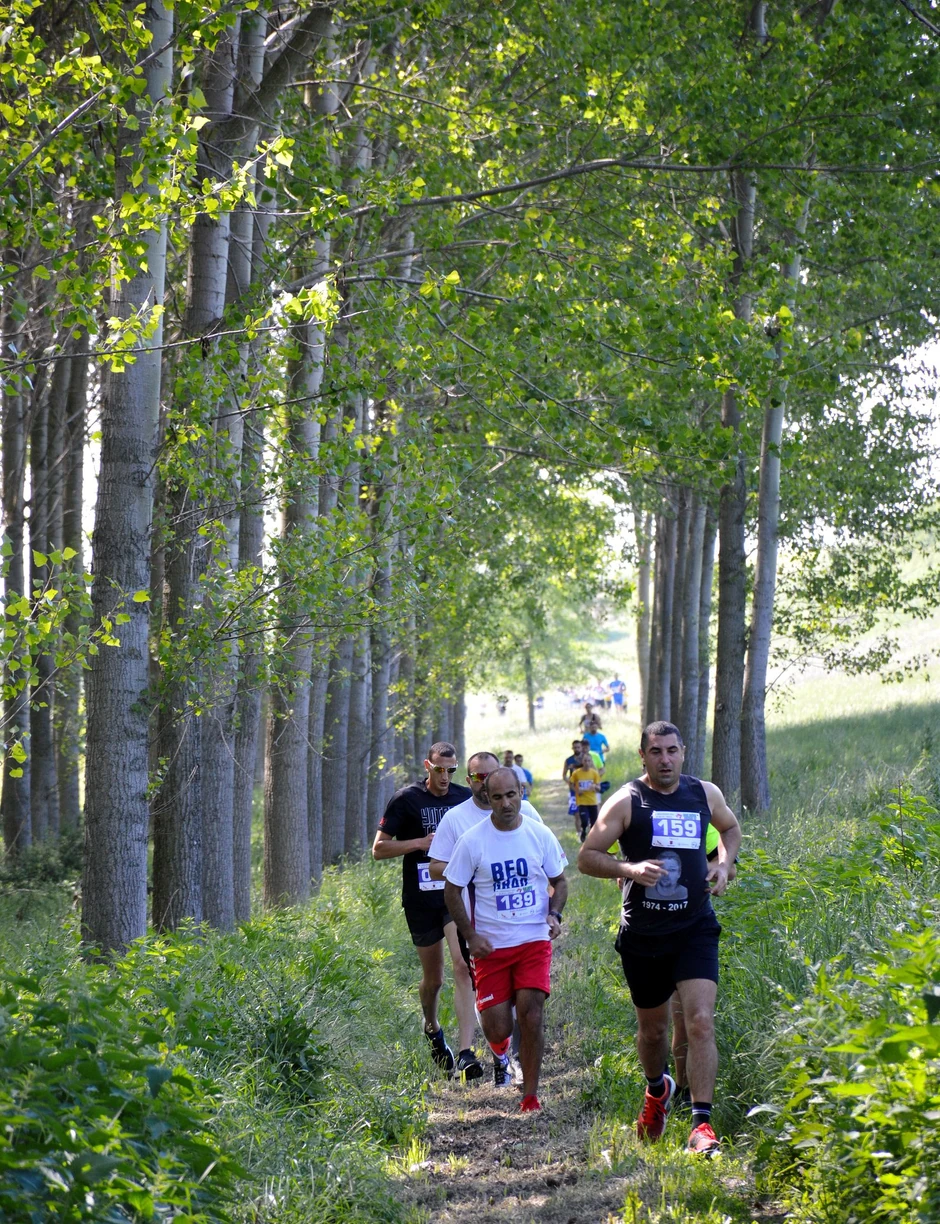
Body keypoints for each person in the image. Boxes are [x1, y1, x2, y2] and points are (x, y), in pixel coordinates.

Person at [577, 720, 741, 1155]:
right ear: (643, 756)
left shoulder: (704, 793)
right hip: (644, 934)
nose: (665, 759)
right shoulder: (628, 801)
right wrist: (628, 869)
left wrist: (724, 865)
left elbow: (730, 828)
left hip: (695, 928)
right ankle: (657, 1090)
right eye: (656, 752)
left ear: (683, 752)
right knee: (652, 1033)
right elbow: (587, 858)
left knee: (700, 1022)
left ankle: (701, 1125)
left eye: (672, 751)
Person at [443, 767, 568, 1113]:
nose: (506, 803)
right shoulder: (473, 840)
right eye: (497, 797)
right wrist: (470, 935)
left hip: (532, 938)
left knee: (531, 1014)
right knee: (498, 1026)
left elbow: (560, 880)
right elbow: (452, 890)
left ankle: (530, 1095)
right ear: (487, 798)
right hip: (491, 946)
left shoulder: (539, 834)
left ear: (522, 793)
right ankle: (501, 1050)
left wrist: (553, 914)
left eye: (511, 795)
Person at [428, 751, 544, 1085]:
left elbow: (544, 854)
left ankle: (518, 1061)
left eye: (491, 775)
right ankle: (501, 1054)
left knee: (526, 998)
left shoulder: (527, 812)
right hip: (478, 925)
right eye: (478, 778)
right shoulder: (455, 818)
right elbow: (436, 866)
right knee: (495, 1002)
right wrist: (473, 867)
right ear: (470, 781)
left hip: (525, 921)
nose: (485, 783)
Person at [372, 741, 473, 1073]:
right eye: (440, 770)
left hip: (453, 894)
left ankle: (465, 1051)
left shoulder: (463, 798)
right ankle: (432, 1027)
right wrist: (419, 843)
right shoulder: (407, 799)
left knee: (462, 965)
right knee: (434, 979)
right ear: (428, 767)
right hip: (420, 899)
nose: (446, 777)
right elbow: (379, 849)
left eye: (451, 770)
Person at [568, 749, 602, 842]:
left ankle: (592, 839)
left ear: (591, 762)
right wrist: (577, 790)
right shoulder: (577, 773)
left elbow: (599, 787)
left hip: (592, 801)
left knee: (594, 822)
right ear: (582, 761)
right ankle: (583, 830)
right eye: (585, 760)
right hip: (582, 801)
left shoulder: (594, 773)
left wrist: (595, 787)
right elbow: (570, 783)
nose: (587, 762)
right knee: (584, 820)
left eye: (589, 761)